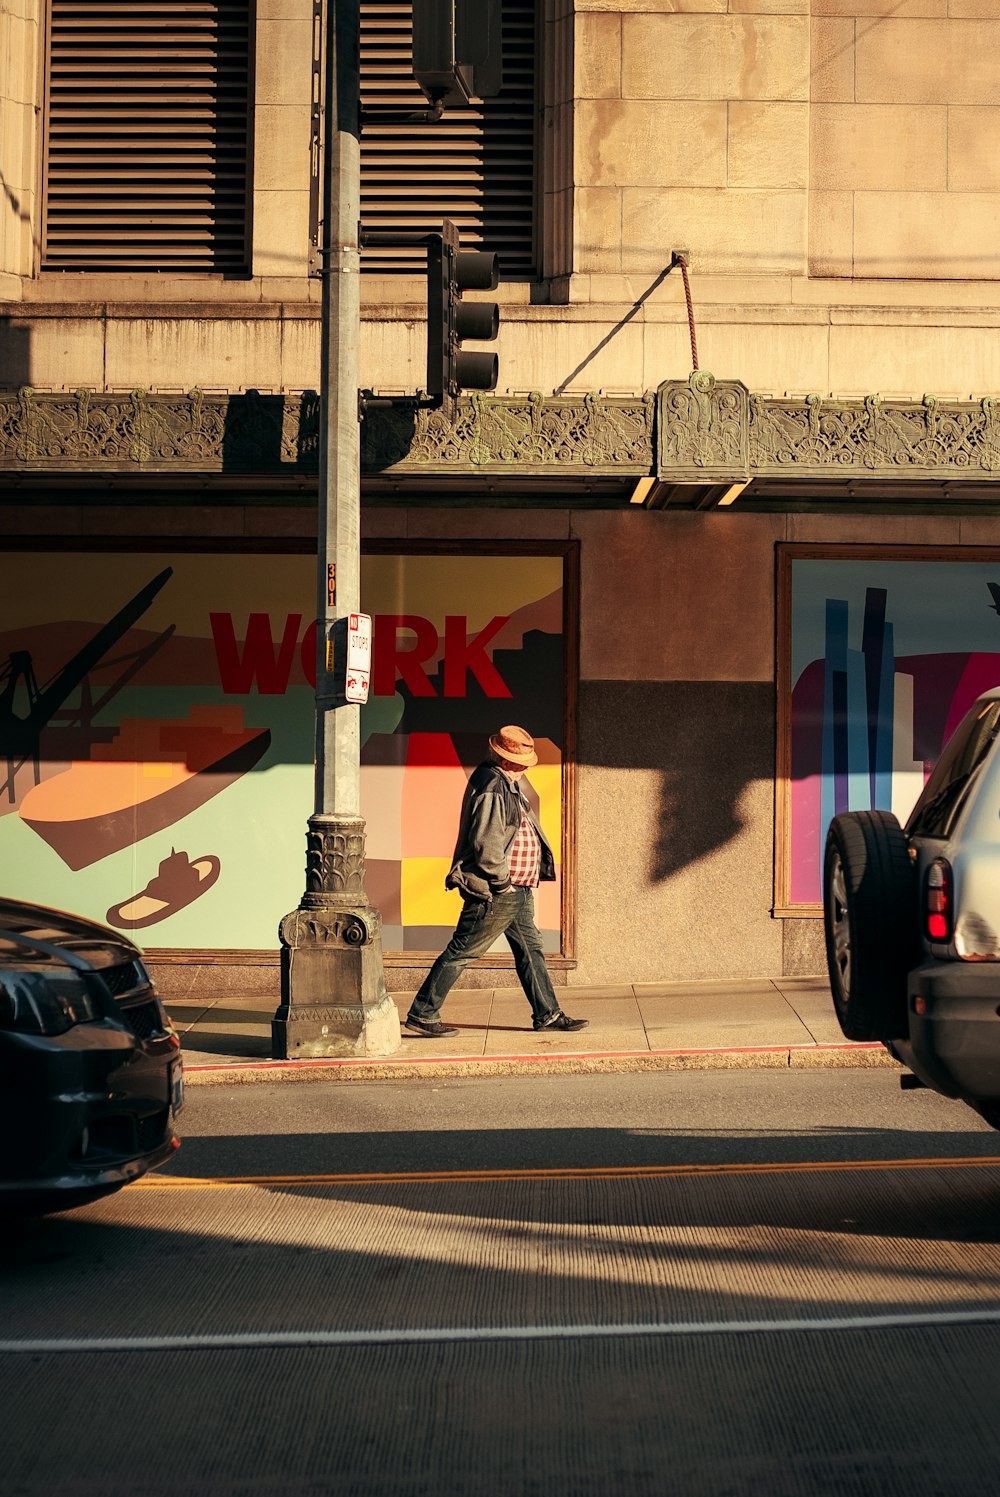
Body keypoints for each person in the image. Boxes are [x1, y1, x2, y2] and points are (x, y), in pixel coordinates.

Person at [404, 725, 589, 1038]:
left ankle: (547, 1013)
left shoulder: (502, 781)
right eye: (522, 764)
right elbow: (487, 844)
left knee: (530, 951)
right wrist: (503, 885)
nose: (525, 769)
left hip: (515, 889)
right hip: (498, 890)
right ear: (507, 762)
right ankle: (423, 1013)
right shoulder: (493, 784)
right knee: (463, 951)